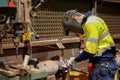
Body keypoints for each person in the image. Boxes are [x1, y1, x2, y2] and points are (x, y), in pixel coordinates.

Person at [62, 9, 117, 80]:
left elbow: (90, 51)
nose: (75, 31)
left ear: (74, 18)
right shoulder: (94, 19)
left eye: (72, 29)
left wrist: (75, 60)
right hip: (106, 64)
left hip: (102, 67)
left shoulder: (90, 24)